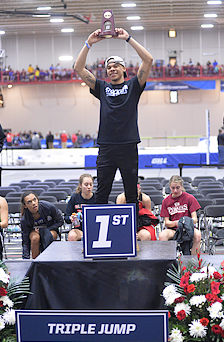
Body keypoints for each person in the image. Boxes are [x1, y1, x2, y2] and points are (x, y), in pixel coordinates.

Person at [74, 27, 153, 211]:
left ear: (124, 69)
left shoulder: (134, 85)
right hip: (106, 147)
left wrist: (128, 39)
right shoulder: (101, 87)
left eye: (115, 65)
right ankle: (99, 236)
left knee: (131, 193)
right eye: (108, 67)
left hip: (128, 146)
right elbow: (78, 68)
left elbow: (148, 60)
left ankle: (132, 234)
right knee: (102, 193)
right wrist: (88, 43)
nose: (111, 69)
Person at [159, 175, 201, 255]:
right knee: (162, 235)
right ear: (170, 187)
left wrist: (185, 222)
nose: (175, 190)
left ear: (181, 186)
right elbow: (167, 222)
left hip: (188, 229)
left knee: (198, 234)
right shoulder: (166, 201)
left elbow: (195, 219)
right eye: (173, 188)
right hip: (174, 229)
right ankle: (168, 260)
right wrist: (177, 223)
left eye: (177, 188)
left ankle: (194, 261)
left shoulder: (189, 198)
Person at [20, 191, 64, 259]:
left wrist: (45, 230)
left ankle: (48, 259)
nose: (33, 203)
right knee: (35, 238)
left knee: (48, 235)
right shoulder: (24, 219)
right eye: (29, 202)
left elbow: (60, 221)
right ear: (25, 206)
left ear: (37, 199)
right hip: (34, 232)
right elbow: (25, 240)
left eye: (34, 200)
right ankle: (36, 262)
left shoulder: (48, 207)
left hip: (50, 228)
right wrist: (25, 259)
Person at [65, 174, 96, 241]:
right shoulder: (74, 198)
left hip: (95, 229)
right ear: (80, 185)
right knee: (72, 235)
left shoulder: (97, 198)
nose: (89, 187)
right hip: (79, 229)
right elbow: (66, 217)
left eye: (91, 184)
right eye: (86, 184)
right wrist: (71, 218)